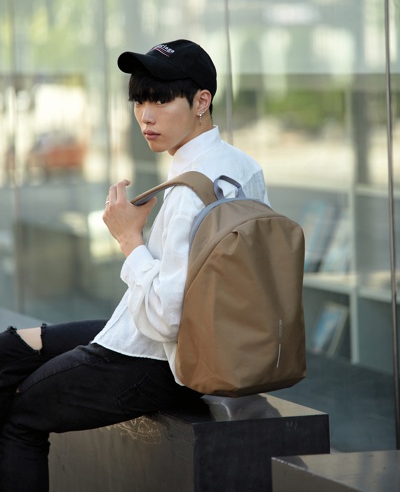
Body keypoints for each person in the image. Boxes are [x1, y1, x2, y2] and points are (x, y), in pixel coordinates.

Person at [0, 39, 269, 491]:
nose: (146, 116)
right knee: (10, 348)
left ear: (201, 101)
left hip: (158, 359)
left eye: (161, 100)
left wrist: (129, 239)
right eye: (139, 101)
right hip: (201, 341)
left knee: (22, 414)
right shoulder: (243, 166)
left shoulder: (188, 193)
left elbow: (165, 319)